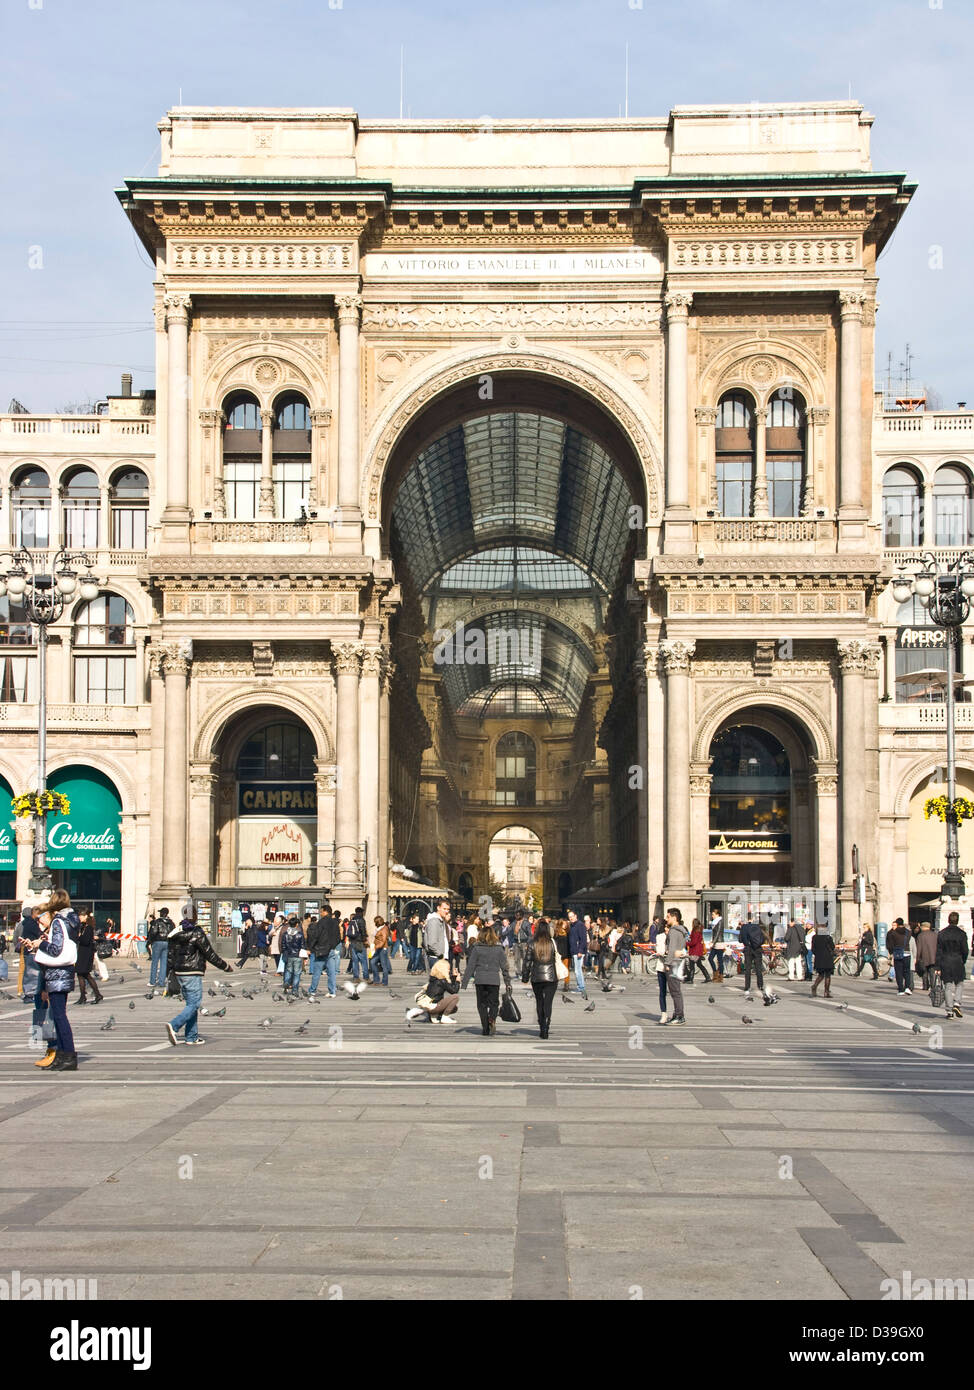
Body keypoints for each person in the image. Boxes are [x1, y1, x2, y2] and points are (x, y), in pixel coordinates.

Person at [26, 892, 81, 1072]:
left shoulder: (59, 921)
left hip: (57, 974)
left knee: (59, 1017)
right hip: (65, 972)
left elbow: (56, 949)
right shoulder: (72, 919)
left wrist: (39, 944)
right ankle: (63, 1056)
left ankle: (68, 1056)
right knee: (60, 1016)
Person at [164, 911, 233, 1045]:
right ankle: (174, 1025)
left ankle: (192, 1037)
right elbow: (209, 953)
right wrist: (225, 966)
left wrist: (169, 972)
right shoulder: (197, 933)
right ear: (195, 918)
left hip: (179, 973)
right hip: (192, 972)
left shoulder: (175, 933)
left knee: (191, 1004)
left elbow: (170, 955)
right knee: (195, 1004)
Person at [462, 922, 512, 1035]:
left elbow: (470, 965)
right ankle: (492, 1019)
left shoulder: (476, 948)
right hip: (494, 980)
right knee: (494, 1003)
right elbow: (505, 967)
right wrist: (507, 982)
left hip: (480, 979)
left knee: (481, 1004)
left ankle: (485, 1028)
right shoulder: (499, 949)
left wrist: (464, 982)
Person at [521, 917, 558, 1039]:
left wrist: (525, 976)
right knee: (548, 1003)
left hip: (537, 976)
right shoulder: (552, 942)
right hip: (551, 976)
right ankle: (546, 1026)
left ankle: (542, 1026)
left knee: (539, 1002)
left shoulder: (532, 942)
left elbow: (527, 961)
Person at [405, 957, 459, 1025]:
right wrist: (457, 981)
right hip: (433, 1007)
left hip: (430, 1005)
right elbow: (454, 991)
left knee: (453, 1007)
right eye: (448, 969)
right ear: (443, 970)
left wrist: (453, 977)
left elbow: (449, 986)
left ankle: (434, 1016)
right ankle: (444, 1017)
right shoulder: (442, 981)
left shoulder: (434, 979)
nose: (449, 971)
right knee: (455, 997)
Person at [937, 911, 970, 1019]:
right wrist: (963, 960)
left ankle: (949, 1010)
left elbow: (939, 951)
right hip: (957, 960)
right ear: (957, 920)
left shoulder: (942, 933)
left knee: (948, 986)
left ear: (948, 920)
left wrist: (938, 965)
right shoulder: (962, 934)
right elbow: (965, 950)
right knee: (959, 983)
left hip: (945, 961)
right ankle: (957, 1002)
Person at [660, 907, 688, 1025]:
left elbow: (672, 948)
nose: (666, 919)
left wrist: (667, 963)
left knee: (675, 991)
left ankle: (679, 1015)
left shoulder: (674, 931)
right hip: (678, 962)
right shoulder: (682, 930)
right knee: (675, 990)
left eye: (668, 917)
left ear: (674, 917)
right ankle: (677, 1014)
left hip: (673, 963)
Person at [740, 914, 775, 1005]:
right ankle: (760, 985)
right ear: (753, 919)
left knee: (748, 968)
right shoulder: (757, 927)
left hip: (748, 949)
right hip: (757, 949)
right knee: (758, 968)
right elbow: (766, 936)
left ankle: (747, 987)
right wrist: (770, 944)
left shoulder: (744, 927)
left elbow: (740, 940)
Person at [307, 907, 341, 1000]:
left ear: (325, 912)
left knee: (317, 972)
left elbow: (316, 936)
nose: (320, 913)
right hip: (331, 949)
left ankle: (312, 991)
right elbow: (338, 937)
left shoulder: (321, 922)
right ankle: (332, 991)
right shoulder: (335, 922)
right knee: (331, 972)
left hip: (322, 949)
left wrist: (311, 947)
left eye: (321, 911)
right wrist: (333, 946)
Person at [74, 908, 103, 1006]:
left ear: (85, 916)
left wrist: (79, 936)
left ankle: (92, 995)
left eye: (81, 916)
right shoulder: (84, 926)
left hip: (86, 954)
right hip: (82, 953)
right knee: (83, 975)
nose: (79, 917)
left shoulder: (89, 927)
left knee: (84, 975)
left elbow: (86, 941)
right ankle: (85, 996)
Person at [886, 917, 913, 996]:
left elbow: (890, 945)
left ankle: (901, 989)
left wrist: (891, 953)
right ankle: (907, 987)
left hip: (897, 953)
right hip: (907, 953)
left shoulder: (893, 933)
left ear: (897, 924)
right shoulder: (908, 932)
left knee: (898, 972)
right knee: (907, 971)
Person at [280, 916, 306, 996]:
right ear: (296, 924)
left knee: (288, 971)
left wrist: (285, 952)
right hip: (297, 955)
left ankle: (286, 985)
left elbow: (283, 945)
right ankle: (295, 990)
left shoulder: (285, 934)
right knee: (297, 973)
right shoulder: (299, 934)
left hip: (288, 955)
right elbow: (302, 946)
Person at [146, 909, 171, 987]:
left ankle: (152, 981)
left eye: (160, 912)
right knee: (164, 963)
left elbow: (153, 932)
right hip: (167, 942)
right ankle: (161, 982)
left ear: (162, 913)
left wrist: (150, 942)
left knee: (155, 962)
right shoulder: (170, 923)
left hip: (157, 942)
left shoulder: (157, 922)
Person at [810, 925, 836, 999]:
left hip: (819, 958)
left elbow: (813, 949)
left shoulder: (814, 937)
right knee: (828, 975)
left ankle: (814, 986)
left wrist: (818, 954)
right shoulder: (828, 937)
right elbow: (832, 947)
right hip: (828, 958)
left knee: (821, 975)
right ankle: (826, 992)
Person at [423, 898, 451, 965]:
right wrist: (440, 955)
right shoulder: (434, 921)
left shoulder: (441, 921)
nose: (446, 911)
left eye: (448, 909)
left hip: (439, 957)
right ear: (438, 908)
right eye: (444, 909)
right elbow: (432, 943)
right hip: (435, 958)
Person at [912, 921, 938, 991]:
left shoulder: (920, 936)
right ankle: (933, 986)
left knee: (924, 972)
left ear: (923, 927)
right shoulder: (935, 935)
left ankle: (925, 986)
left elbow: (919, 948)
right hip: (933, 957)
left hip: (924, 957)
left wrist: (917, 958)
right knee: (932, 973)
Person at [567, 909, 588, 998]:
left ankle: (581, 987)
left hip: (578, 951)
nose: (571, 918)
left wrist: (580, 951)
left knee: (577, 970)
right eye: (569, 917)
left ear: (576, 916)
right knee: (577, 970)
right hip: (574, 951)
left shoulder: (580, 925)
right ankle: (580, 986)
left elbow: (583, 939)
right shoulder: (572, 926)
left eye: (572, 916)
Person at [346, 907, 370, 980]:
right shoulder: (361, 920)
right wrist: (365, 940)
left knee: (355, 961)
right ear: (361, 912)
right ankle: (366, 977)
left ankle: (356, 977)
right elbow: (363, 931)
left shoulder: (353, 919)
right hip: (360, 942)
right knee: (363, 961)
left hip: (353, 942)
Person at [686, 919, 711, 984]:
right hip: (698, 951)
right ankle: (707, 977)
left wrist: (687, 943)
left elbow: (693, 942)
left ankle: (691, 979)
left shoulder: (695, 931)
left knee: (692, 965)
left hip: (694, 951)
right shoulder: (699, 930)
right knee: (699, 964)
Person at [552, 918, 571, 994]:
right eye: (564, 924)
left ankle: (566, 985)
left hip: (567, 953)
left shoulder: (568, 932)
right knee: (557, 970)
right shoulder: (556, 932)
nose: (565, 925)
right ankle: (554, 984)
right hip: (559, 953)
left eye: (566, 924)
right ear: (560, 924)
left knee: (566, 970)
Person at [707, 908, 725, 981]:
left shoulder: (720, 921)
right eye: (712, 915)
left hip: (719, 943)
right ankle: (715, 973)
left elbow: (717, 933)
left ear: (717, 914)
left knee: (719, 960)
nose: (712, 916)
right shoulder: (714, 922)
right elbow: (710, 930)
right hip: (715, 943)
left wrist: (712, 942)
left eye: (713, 915)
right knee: (710, 958)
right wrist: (710, 924)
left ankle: (720, 976)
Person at [371, 917, 390, 985]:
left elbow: (384, 940)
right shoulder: (380, 928)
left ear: (377, 922)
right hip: (379, 948)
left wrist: (377, 946)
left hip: (382, 949)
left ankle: (384, 981)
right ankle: (376, 980)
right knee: (373, 962)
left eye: (375, 922)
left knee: (384, 965)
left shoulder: (384, 929)